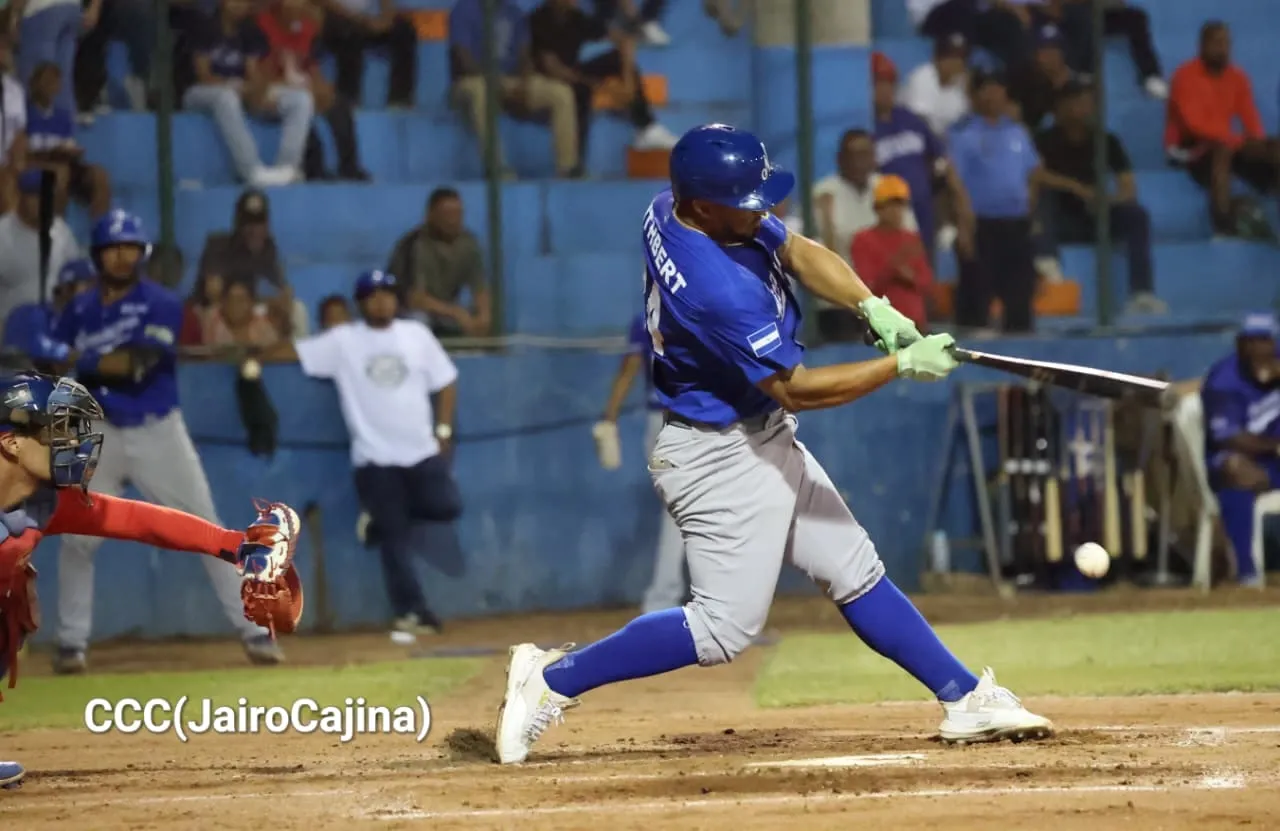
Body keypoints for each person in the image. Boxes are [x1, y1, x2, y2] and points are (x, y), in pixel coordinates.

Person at [492, 123, 1053, 765]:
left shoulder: (677, 205)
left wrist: (873, 309)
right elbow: (798, 388)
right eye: (747, 200)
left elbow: (796, 250)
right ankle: (549, 681)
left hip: (755, 436)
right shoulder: (716, 289)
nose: (764, 209)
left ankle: (964, 697)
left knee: (854, 569)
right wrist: (901, 365)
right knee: (722, 628)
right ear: (702, 204)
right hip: (718, 455)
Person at [0, 371, 303, 790]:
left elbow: (139, 520)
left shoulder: (46, 501)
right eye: (54, 431)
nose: (70, 441)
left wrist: (234, 545)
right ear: (11, 443)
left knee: (12, 611)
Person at [49, 210, 285, 673]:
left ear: (142, 254)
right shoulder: (78, 309)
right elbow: (52, 362)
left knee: (207, 531)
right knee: (78, 540)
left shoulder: (160, 302)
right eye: (114, 248)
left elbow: (136, 363)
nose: (123, 256)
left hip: (157, 432)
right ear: (98, 255)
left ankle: (254, 631)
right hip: (100, 434)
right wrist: (54, 348)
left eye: (131, 248)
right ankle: (71, 644)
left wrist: (79, 356)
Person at [263, 270, 462, 639]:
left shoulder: (416, 336)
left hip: (421, 451)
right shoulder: (344, 341)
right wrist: (252, 357)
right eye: (372, 295)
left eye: (387, 293)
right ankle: (411, 611)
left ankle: (378, 520)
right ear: (361, 303)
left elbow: (447, 380)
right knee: (396, 539)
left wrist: (444, 429)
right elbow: (293, 352)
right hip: (375, 459)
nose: (381, 301)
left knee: (447, 505)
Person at [1035, 81, 1164, 315]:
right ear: (1061, 107)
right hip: (1059, 220)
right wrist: (1076, 187)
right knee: (1044, 199)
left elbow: (1127, 186)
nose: (1083, 109)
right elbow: (1035, 175)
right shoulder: (1044, 140)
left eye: (1087, 103)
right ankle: (1048, 265)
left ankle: (1142, 293)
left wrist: (1108, 201)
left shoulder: (1106, 141)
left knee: (1136, 215)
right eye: (1076, 102)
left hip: (1094, 217)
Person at [592, 311, 686, 614]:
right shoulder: (697, 304)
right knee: (685, 514)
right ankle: (664, 598)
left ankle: (669, 597)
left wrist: (610, 416)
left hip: (664, 425)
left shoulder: (648, 314)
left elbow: (628, 369)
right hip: (684, 423)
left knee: (687, 514)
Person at [529, 0, 677, 174]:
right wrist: (600, 86)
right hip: (547, 80)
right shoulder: (539, 19)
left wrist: (628, 83)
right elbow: (551, 67)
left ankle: (646, 127)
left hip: (574, 73)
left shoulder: (577, 17)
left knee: (616, 59)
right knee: (576, 92)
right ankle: (574, 166)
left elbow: (623, 40)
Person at [1166, 21, 1280, 237]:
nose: (1223, 49)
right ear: (1202, 45)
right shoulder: (1185, 75)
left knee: (1274, 148)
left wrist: (1256, 142)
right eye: (1217, 43)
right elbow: (1193, 124)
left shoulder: (1238, 77)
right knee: (1223, 151)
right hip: (1187, 146)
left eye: (1227, 43)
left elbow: (1250, 117)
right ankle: (1223, 225)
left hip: (1226, 141)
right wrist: (1234, 140)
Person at [948, 71, 1041, 333]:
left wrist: (1029, 209)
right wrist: (964, 227)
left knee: (1020, 294)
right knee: (976, 297)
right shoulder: (964, 134)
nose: (992, 95)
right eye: (986, 89)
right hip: (982, 224)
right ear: (976, 95)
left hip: (1016, 223)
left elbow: (1034, 171)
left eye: (998, 88)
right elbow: (956, 183)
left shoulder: (1017, 132)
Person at [182, 0, 312, 187]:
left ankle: (287, 167)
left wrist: (256, 92)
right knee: (225, 97)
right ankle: (250, 169)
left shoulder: (249, 30)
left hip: (238, 90)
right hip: (199, 93)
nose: (240, 5)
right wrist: (235, 87)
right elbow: (203, 74)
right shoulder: (206, 25)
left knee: (300, 99)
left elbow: (252, 74)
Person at [448, 0, 578, 179]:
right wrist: (493, 81)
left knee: (561, 93)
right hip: (471, 81)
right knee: (480, 90)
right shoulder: (464, 9)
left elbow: (525, 55)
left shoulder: (514, 12)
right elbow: (463, 57)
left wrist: (524, 83)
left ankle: (567, 167)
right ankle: (496, 166)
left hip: (509, 80)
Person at [1200, 313, 1280, 587]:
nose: (1260, 349)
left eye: (1265, 340)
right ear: (1240, 345)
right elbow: (1229, 438)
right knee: (1235, 473)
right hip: (1239, 461)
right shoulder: (1224, 379)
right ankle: (1246, 573)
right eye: (1252, 342)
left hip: (1273, 462)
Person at [386, 187, 491, 338]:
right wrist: (455, 312)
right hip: (408, 311)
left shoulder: (469, 243)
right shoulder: (415, 245)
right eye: (447, 214)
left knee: (482, 318)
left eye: (458, 214)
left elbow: (480, 288)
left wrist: (484, 315)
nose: (453, 220)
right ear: (430, 215)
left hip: (445, 311)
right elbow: (415, 299)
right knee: (419, 321)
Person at [24, 61, 112, 217]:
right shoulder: (25, 113)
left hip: (65, 163)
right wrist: (50, 152)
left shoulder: (63, 117)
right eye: (47, 80)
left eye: (55, 81)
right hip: (35, 164)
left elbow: (69, 145)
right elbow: (22, 151)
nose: (51, 85)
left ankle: (100, 232)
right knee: (60, 173)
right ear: (35, 84)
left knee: (99, 175)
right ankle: (56, 230)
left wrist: (72, 152)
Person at [0, 170, 82, 330]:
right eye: (34, 195)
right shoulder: (2, 234)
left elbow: (77, 281)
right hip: (10, 333)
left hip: (55, 328)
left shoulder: (62, 232)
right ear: (20, 197)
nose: (41, 202)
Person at [850, 175, 933, 332]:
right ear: (877, 208)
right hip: (881, 326)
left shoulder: (912, 239)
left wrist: (910, 277)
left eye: (900, 205)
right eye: (890, 206)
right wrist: (893, 269)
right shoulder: (863, 239)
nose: (896, 211)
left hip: (915, 325)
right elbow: (867, 286)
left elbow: (927, 282)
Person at [315, 0, 417, 108]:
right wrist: (359, 19)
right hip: (333, 17)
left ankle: (400, 99)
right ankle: (347, 99)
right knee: (348, 33)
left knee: (404, 31)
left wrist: (386, 19)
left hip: (368, 19)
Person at [1, 257, 94, 368]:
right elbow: (35, 348)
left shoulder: (87, 325)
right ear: (65, 289)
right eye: (89, 287)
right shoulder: (30, 314)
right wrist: (85, 359)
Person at [900, 33, 972, 139]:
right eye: (950, 57)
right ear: (936, 58)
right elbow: (919, 122)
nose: (956, 63)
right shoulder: (922, 77)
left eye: (961, 58)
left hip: (944, 142)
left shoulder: (962, 84)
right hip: (910, 137)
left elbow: (965, 123)